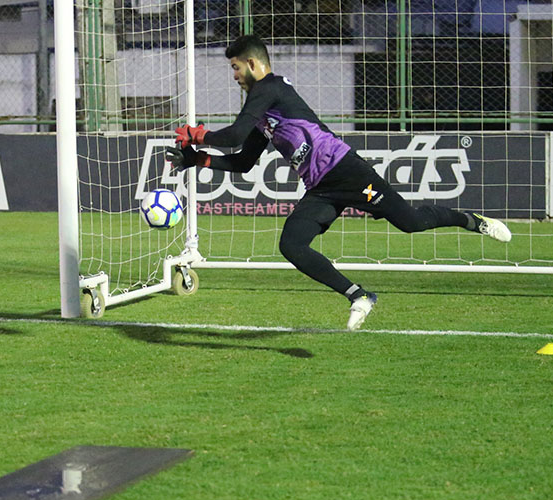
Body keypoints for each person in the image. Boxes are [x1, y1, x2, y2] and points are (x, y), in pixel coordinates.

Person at [166, 35, 512, 330]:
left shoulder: (269, 87)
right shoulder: (263, 108)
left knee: (411, 223)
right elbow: (243, 160)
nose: (235, 76)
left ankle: (473, 221)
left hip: (346, 171)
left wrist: (199, 134)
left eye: (236, 68)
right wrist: (198, 159)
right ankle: (359, 295)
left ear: (254, 65)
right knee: (292, 245)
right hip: (322, 187)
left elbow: (234, 134)